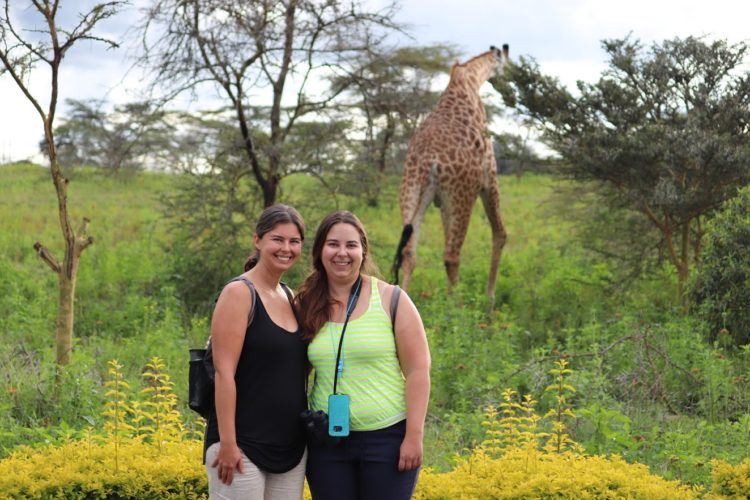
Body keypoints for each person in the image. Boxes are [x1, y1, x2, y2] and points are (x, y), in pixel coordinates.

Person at [295, 210, 431, 500]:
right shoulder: (305, 302)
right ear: (319, 250)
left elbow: (418, 370)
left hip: (388, 439)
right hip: (327, 441)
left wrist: (413, 436)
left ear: (363, 250)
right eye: (333, 244)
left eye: (351, 245)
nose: (341, 253)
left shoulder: (392, 299)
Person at [204, 204, 308, 500]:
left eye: (294, 241)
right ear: (258, 240)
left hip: (289, 448)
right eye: (278, 239)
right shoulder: (239, 293)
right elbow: (224, 373)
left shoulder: (289, 296)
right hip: (241, 446)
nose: (286, 248)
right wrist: (227, 443)